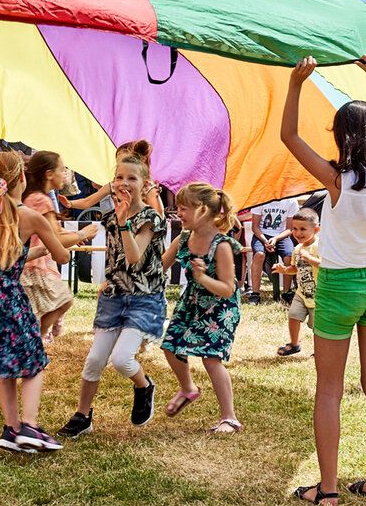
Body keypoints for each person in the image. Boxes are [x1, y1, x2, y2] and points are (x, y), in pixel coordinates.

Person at [283, 55, 366, 505]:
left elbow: (288, 136)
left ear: (342, 136)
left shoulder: (336, 179)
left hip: (340, 285)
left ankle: (327, 491)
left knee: (329, 389)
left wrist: (295, 84)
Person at [0, 152, 73, 451]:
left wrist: (32, 250)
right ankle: (30, 427)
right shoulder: (31, 216)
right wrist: (77, 237)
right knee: (33, 362)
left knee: (3, 363)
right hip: (3, 295)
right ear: (21, 178)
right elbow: (62, 255)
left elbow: (6, 256)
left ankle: (11, 429)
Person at [57, 156, 166, 438]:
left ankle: (144, 386)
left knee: (121, 360)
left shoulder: (150, 218)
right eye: (119, 178)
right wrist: (108, 278)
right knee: (94, 360)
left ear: (144, 186)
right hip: (115, 297)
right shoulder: (111, 217)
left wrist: (123, 222)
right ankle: (83, 415)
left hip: (143, 299)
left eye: (132, 178)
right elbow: (117, 256)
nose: (124, 183)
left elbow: (134, 256)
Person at [160, 183, 243, 434]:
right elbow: (159, 267)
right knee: (171, 347)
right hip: (193, 302)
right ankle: (188, 388)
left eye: (183, 208)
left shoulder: (222, 245)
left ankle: (229, 417)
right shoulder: (183, 238)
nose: (178, 213)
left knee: (211, 358)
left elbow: (228, 288)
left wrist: (203, 278)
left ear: (204, 210)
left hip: (221, 307)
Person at [21, 151, 99, 343]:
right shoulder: (41, 200)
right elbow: (55, 238)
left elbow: (52, 231)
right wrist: (83, 234)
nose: (65, 173)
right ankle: (38, 336)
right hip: (36, 264)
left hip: (36, 262)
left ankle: (37, 336)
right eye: (62, 169)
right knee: (63, 301)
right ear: (49, 174)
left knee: (53, 304)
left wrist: (72, 237)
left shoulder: (36, 197)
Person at [273, 209, 321, 357]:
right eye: (294, 228)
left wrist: (309, 257)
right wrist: (285, 270)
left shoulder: (320, 246)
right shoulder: (297, 248)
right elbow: (296, 268)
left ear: (316, 229)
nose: (297, 232)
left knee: (318, 327)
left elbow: (324, 264)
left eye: (302, 229)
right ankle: (294, 344)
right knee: (293, 316)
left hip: (318, 295)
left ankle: (320, 350)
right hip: (301, 292)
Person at [249, 197, 299, 304]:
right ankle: (255, 294)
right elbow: (255, 227)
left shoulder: (291, 201)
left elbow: (289, 229)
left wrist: (276, 239)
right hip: (261, 234)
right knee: (259, 254)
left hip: (282, 235)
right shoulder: (260, 198)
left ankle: (287, 292)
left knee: (289, 256)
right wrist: (265, 240)